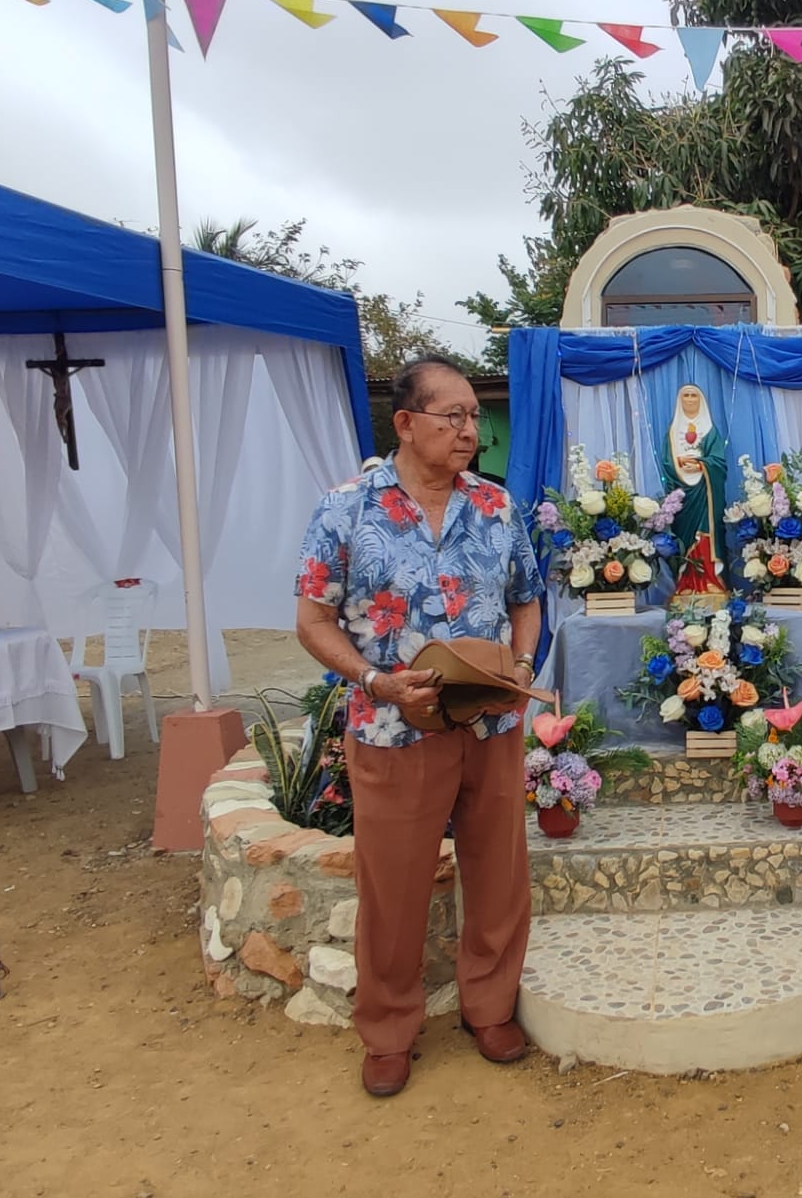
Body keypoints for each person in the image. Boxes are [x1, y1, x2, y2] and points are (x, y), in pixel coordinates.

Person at [294, 354, 545, 1097]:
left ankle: (489, 1007)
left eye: (474, 417)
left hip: (489, 725)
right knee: (394, 888)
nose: (470, 430)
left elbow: (526, 597)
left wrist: (520, 666)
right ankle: (389, 1030)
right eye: (453, 416)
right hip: (392, 729)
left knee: (498, 873)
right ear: (405, 422)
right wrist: (376, 681)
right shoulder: (345, 509)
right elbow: (312, 620)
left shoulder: (496, 506)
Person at [661, 382, 729, 601]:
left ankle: (710, 580)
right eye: (686, 395)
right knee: (685, 538)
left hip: (705, 492)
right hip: (683, 494)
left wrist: (701, 465)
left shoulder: (710, 430)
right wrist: (680, 469)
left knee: (706, 534)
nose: (690, 400)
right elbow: (667, 463)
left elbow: (719, 462)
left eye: (694, 395)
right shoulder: (672, 432)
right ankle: (686, 583)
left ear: (701, 400)